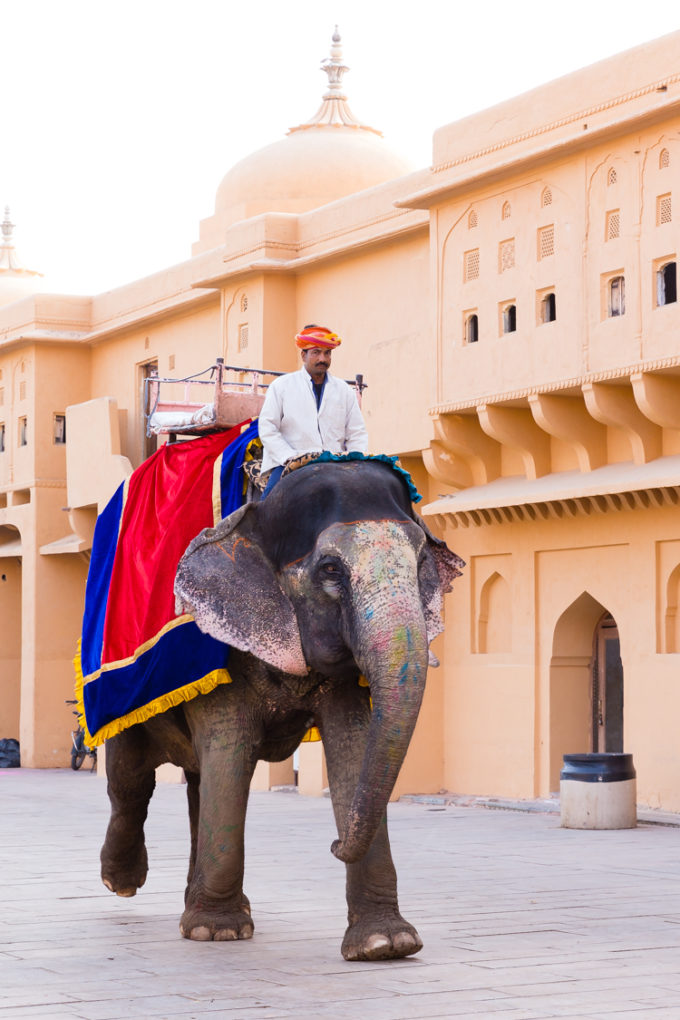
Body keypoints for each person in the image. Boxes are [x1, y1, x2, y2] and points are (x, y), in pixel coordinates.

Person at [258, 324, 368, 496]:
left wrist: (355, 460)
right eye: (316, 352)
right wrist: (290, 457)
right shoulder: (281, 386)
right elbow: (267, 428)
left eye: (327, 353)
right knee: (268, 506)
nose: (322, 359)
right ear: (304, 355)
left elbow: (356, 432)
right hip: (289, 464)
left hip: (336, 464)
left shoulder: (344, 390)